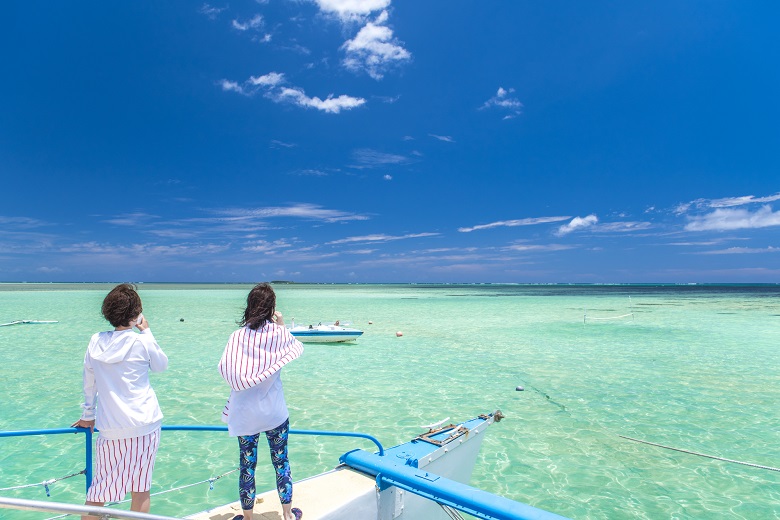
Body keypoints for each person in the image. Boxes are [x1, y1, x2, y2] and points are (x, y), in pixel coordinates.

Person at [71, 283, 168, 520]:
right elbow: (161, 366)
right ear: (136, 315)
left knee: (99, 489)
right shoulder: (141, 341)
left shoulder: (96, 341)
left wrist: (87, 415)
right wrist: (146, 331)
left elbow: (89, 382)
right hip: (145, 424)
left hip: (111, 426)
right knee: (140, 489)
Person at [218, 283, 304, 520]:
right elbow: (295, 348)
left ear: (249, 307)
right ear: (271, 308)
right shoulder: (279, 335)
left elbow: (226, 370)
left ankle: (248, 517)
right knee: (281, 462)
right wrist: (282, 324)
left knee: (247, 467)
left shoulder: (237, 337)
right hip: (275, 413)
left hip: (245, 414)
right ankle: (287, 514)